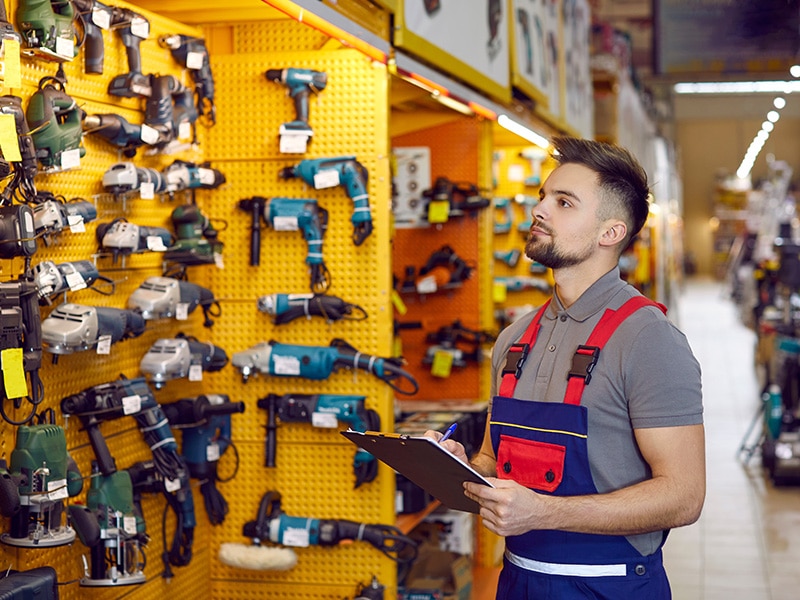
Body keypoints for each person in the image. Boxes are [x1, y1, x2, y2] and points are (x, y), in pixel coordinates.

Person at [428, 136, 704, 598]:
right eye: (541, 197)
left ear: (610, 232)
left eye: (564, 202)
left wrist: (545, 513)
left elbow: (684, 495)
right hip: (517, 581)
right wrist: (459, 471)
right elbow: (493, 462)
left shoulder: (649, 340)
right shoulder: (514, 340)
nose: (539, 210)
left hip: (609, 587)